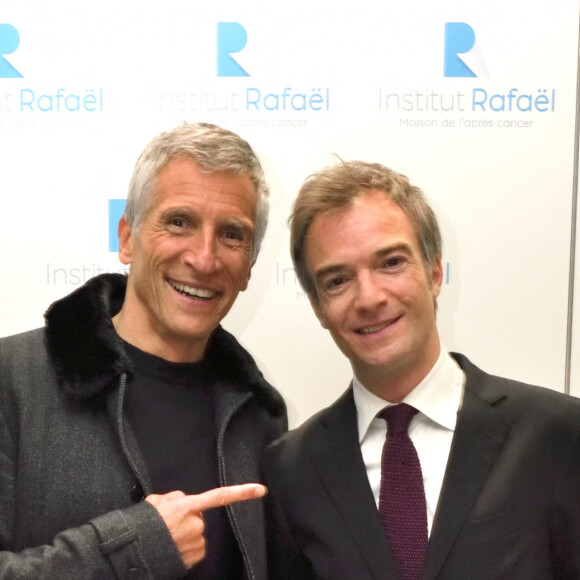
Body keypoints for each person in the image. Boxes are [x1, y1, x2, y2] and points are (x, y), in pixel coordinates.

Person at [263, 160, 580, 579]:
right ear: (319, 306)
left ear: (434, 273)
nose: (369, 297)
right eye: (337, 280)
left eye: (390, 263)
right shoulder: (289, 472)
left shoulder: (558, 436)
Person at [0, 122, 287, 579]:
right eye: (179, 222)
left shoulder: (259, 415)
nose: (204, 257)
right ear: (128, 237)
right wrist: (135, 547)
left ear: (250, 265)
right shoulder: (12, 379)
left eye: (232, 234)